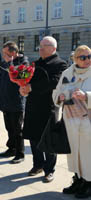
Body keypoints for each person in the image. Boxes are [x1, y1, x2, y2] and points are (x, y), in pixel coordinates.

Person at [19, 36, 67, 183]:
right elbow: (26, 79)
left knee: (49, 140)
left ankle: (49, 170)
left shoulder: (61, 64)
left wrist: (32, 87)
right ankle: (37, 164)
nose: (40, 48)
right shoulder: (35, 63)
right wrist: (22, 88)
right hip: (33, 105)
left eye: (44, 46)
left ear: (53, 48)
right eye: (40, 45)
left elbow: (55, 82)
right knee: (34, 138)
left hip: (49, 107)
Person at [53, 45, 91, 198]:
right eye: (83, 57)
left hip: (88, 121)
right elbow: (56, 91)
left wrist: (87, 96)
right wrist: (60, 97)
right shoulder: (67, 73)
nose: (87, 60)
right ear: (75, 59)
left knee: (87, 154)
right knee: (74, 153)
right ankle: (77, 180)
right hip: (71, 120)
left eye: (89, 56)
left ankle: (89, 183)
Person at [0, 41, 29, 164]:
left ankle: (20, 153)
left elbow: (19, 77)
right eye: (3, 52)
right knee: (8, 127)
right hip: (6, 99)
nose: (3, 55)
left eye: (6, 53)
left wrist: (10, 63)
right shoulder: (4, 63)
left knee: (17, 128)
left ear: (14, 52)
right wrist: (0, 99)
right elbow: (3, 83)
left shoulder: (23, 62)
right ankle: (11, 148)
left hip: (16, 100)